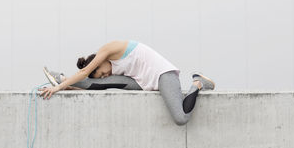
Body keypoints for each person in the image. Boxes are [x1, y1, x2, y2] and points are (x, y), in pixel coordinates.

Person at [39, 39, 215, 126]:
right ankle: (64, 80)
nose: (105, 75)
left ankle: (198, 83)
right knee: (102, 84)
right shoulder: (106, 68)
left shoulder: (107, 50)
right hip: (141, 81)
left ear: (98, 62)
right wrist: (69, 88)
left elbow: (85, 72)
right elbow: (96, 81)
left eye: (101, 72)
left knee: (181, 118)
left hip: (162, 74)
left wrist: (57, 89)